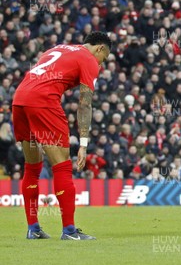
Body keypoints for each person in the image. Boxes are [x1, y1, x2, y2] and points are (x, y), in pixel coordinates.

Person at [12, 32, 112, 240]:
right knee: (63, 166)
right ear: (100, 48)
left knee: (32, 167)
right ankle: (69, 231)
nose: (102, 63)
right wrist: (83, 143)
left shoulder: (56, 48)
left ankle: (33, 229)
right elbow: (85, 104)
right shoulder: (88, 59)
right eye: (105, 58)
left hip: (20, 100)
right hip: (44, 101)